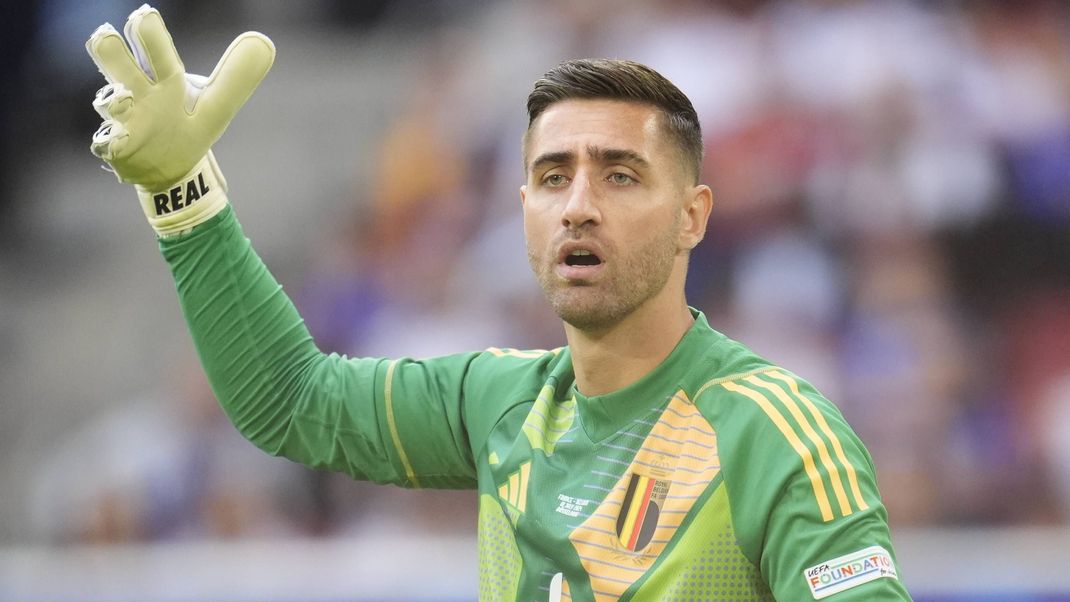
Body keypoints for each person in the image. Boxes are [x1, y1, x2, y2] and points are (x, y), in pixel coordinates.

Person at [85, 5, 911, 600]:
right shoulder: (496, 401)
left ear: (693, 215)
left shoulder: (774, 431)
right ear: (523, 211)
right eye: (553, 177)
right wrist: (184, 200)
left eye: (620, 174)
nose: (579, 204)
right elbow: (288, 400)